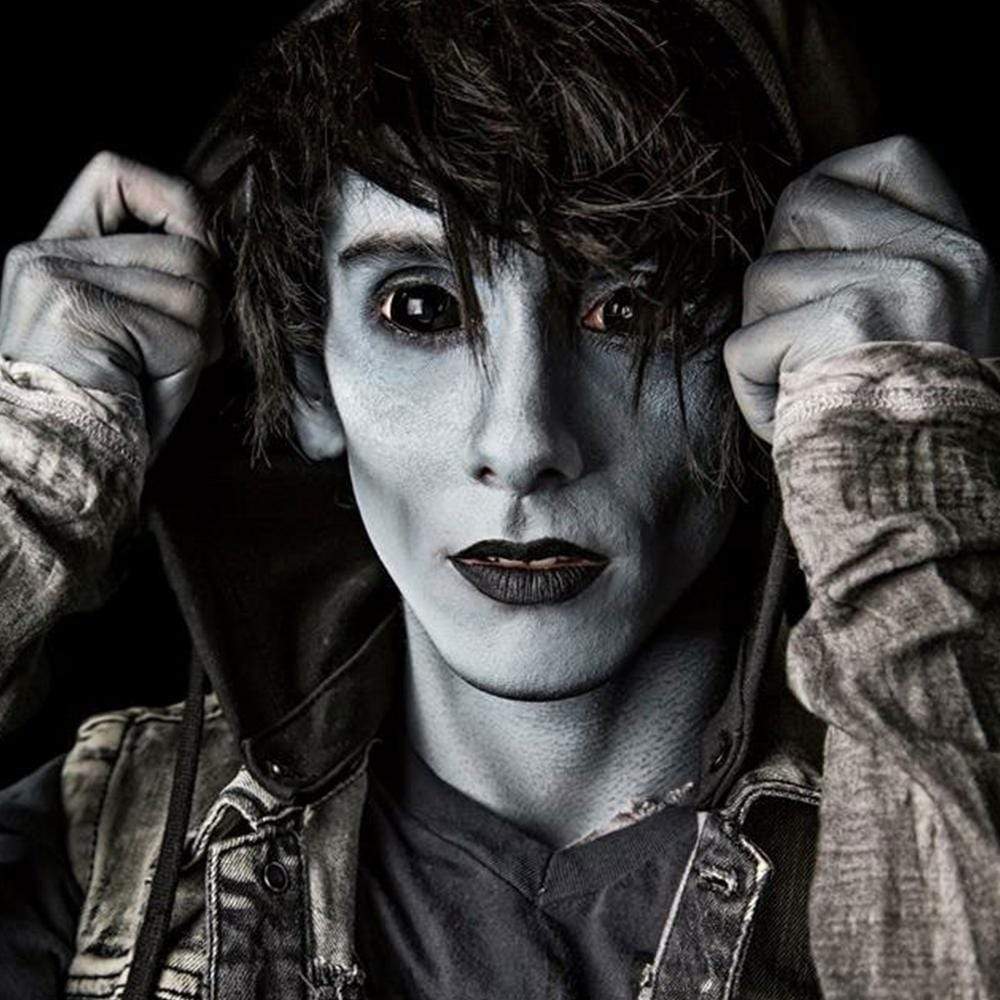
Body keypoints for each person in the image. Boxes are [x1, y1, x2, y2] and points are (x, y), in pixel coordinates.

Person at [1, 1, 999, 998]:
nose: (521, 445)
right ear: (307, 374)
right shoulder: (100, 850)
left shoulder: (955, 784)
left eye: (630, 306)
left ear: (784, 342)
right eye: (420, 307)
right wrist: (27, 475)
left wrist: (903, 478)